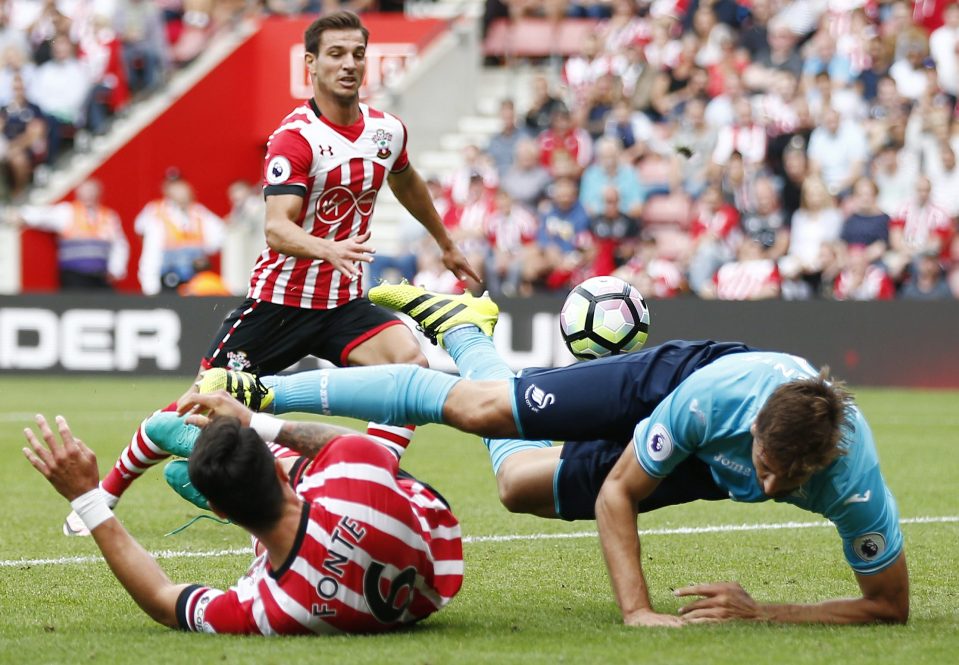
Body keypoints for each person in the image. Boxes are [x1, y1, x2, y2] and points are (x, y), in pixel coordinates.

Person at [194, 283, 909, 626]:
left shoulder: (854, 482)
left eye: (788, 480)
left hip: (703, 453)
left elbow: (888, 607)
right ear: (753, 432)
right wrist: (637, 610)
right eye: (762, 464)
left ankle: (470, 334)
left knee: (516, 484)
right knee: (479, 408)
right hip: (672, 388)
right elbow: (616, 495)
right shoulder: (714, 399)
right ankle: (265, 390)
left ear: (825, 464)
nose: (770, 484)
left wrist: (766, 613)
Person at [64, 11, 480, 537]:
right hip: (278, 306)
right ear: (311, 64)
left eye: (357, 54)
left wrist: (445, 244)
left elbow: (407, 179)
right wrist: (327, 249)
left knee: (410, 368)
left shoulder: (386, 130)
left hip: (343, 305)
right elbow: (277, 230)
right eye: (336, 54)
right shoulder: (295, 139)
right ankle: (107, 491)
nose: (349, 65)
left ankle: (370, 478)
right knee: (194, 408)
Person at [22, 407, 462, 635]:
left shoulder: (267, 607)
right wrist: (255, 422)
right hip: (431, 542)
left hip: (312, 540)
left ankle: (223, 481)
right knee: (399, 396)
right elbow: (344, 446)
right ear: (277, 470)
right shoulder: (356, 469)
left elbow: (161, 598)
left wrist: (87, 499)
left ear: (218, 513)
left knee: (168, 443)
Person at [13, 179, 128, 289]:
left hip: (100, 276)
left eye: (92, 192)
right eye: (86, 192)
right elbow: (44, 215)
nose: (89, 195)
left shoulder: (109, 216)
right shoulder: (68, 212)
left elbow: (119, 244)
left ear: (99, 193)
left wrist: (116, 269)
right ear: (78, 193)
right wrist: (22, 215)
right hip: (74, 275)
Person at [135, 172, 225, 295]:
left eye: (181, 185)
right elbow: (151, 254)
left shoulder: (200, 213)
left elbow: (219, 239)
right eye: (174, 186)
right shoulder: (157, 214)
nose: (180, 191)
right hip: (170, 281)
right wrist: (150, 288)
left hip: (196, 282)